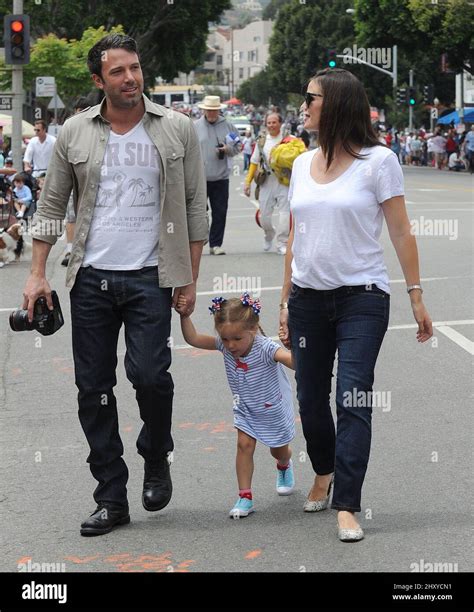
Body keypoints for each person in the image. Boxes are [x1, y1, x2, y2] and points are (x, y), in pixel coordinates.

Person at [23, 33, 208, 536]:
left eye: (135, 68)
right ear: (98, 80)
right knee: (94, 390)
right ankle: (110, 495)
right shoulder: (74, 133)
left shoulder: (176, 129)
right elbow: (51, 206)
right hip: (91, 280)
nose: (131, 78)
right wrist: (37, 274)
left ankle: (155, 453)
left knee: (151, 377)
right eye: (118, 72)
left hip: (152, 277)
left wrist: (188, 278)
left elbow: (195, 207)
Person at [279, 68, 433, 542]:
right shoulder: (302, 163)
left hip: (362, 299)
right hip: (307, 299)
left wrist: (416, 293)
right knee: (309, 397)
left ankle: (347, 501)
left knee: (353, 397)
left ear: (338, 104)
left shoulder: (379, 161)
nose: (303, 105)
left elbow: (401, 231)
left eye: (312, 98)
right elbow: (293, 238)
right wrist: (283, 301)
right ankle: (323, 469)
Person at [177, 292, 296, 517]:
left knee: (278, 450)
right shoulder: (224, 347)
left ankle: (284, 463)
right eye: (225, 339)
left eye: (237, 339)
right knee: (244, 445)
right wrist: (184, 316)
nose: (230, 345)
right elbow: (193, 338)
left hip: (272, 408)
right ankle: (245, 497)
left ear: (252, 330)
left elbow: (293, 362)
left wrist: (297, 343)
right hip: (245, 408)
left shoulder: (266, 348)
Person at [194, 96, 241, 256]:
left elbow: (238, 147)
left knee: (220, 212)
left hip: (221, 178)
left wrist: (227, 149)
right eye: (209, 110)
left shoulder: (228, 126)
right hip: (200, 178)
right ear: (204, 110)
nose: (212, 113)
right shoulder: (195, 126)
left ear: (219, 110)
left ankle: (216, 244)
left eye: (214, 110)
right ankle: (200, 239)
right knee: (199, 213)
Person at [244, 113, 291, 255]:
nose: (271, 125)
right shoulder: (262, 141)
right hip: (266, 181)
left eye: (274, 122)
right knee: (264, 217)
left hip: (284, 181)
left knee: (285, 213)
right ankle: (269, 235)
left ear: (280, 123)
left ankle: (282, 242)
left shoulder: (289, 139)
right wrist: (247, 182)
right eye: (269, 122)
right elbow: (253, 162)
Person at [61, 96, 92, 267]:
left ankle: (87, 249)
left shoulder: (99, 129)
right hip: (74, 181)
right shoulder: (70, 131)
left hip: (92, 182)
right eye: (76, 115)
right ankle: (70, 250)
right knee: (71, 216)